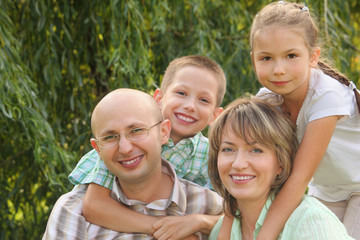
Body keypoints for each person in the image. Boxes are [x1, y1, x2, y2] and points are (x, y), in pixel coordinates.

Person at [229, 1, 360, 239]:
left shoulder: (326, 97)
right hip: (328, 190)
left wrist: (264, 235)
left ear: (313, 56)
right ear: (253, 59)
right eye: (266, 58)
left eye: (291, 55)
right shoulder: (267, 100)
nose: (279, 69)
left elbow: (299, 178)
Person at [67, 55, 227, 239]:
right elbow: (95, 205)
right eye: (181, 93)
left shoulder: (214, 156)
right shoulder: (122, 146)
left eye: (204, 100)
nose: (190, 105)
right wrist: (162, 228)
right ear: (158, 98)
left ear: (215, 115)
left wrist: (198, 222)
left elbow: (239, 215)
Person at [207, 96, 354, 239]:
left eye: (256, 150)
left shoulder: (310, 222)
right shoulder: (221, 231)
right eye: (228, 149)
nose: (238, 164)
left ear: (281, 164)